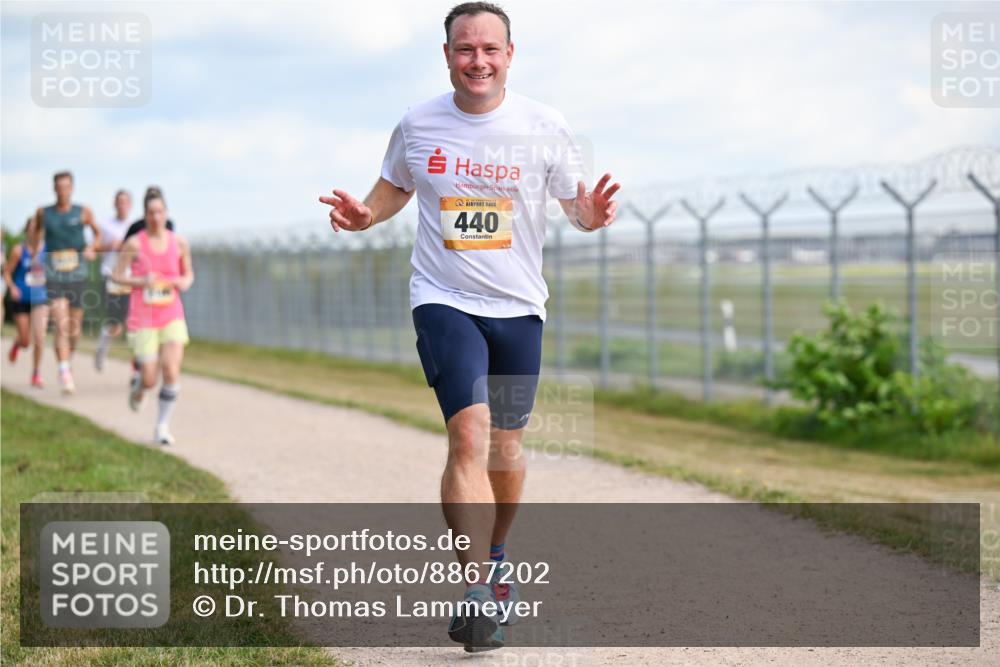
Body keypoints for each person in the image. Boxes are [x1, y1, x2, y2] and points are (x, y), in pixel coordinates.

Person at [320, 2, 619, 652]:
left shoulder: (544, 124)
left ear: (510, 54)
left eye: (489, 49)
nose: (477, 61)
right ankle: (477, 589)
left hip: (519, 308)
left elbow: (575, 205)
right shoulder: (419, 122)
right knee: (469, 436)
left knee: (505, 451)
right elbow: (395, 187)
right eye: (464, 49)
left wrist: (590, 215)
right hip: (443, 297)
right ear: (447, 54)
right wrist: (364, 215)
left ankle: (499, 550)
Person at [112, 192, 194, 446]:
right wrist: (139, 281)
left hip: (172, 314)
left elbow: (189, 274)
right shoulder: (135, 244)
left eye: (160, 212)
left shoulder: (179, 242)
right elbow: (116, 275)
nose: (156, 217)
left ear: (166, 213)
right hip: (143, 316)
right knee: (149, 378)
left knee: (171, 369)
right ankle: (139, 387)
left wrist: (183, 281)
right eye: (151, 213)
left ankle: (162, 426)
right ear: (145, 216)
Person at [31, 170, 101, 394]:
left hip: (77, 276)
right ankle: (63, 371)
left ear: (72, 189)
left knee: (74, 329)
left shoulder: (83, 212)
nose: (62, 191)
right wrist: (34, 248)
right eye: (59, 187)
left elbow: (97, 234)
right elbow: (34, 237)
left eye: (66, 187)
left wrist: (92, 248)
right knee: (61, 323)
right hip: (54, 277)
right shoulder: (44, 213)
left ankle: (67, 361)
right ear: (54, 189)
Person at [3, 219, 49, 387]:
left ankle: (36, 373)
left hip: (41, 299)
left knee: (39, 337)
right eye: (32, 229)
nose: (36, 232)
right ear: (27, 231)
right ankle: (18, 343)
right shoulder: (18, 250)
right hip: (21, 298)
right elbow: (6, 273)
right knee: (25, 342)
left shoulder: (48, 250)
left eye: (39, 229)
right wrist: (13, 288)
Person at [94, 189, 134, 371]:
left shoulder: (135, 227)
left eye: (126, 202)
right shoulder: (104, 224)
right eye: (119, 202)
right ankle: (101, 349)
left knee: (131, 322)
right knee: (115, 323)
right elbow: (94, 248)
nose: (122, 205)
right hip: (111, 276)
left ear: (130, 205)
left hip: (131, 278)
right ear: (114, 204)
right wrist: (109, 246)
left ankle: (138, 365)